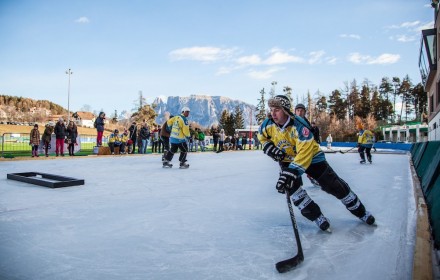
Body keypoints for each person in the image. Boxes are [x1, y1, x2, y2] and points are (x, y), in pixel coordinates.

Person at [258, 95, 375, 232]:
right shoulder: (267, 124)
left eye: (277, 109)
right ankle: (317, 217)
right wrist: (268, 147)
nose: (273, 113)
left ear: (285, 110)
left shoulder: (300, 125)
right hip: (287, 159)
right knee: (293, 190)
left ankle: (361, 212)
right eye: (271, 109)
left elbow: (304, 153)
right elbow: (261, 136)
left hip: (312, 158)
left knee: (335, 186)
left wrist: (292, 172)